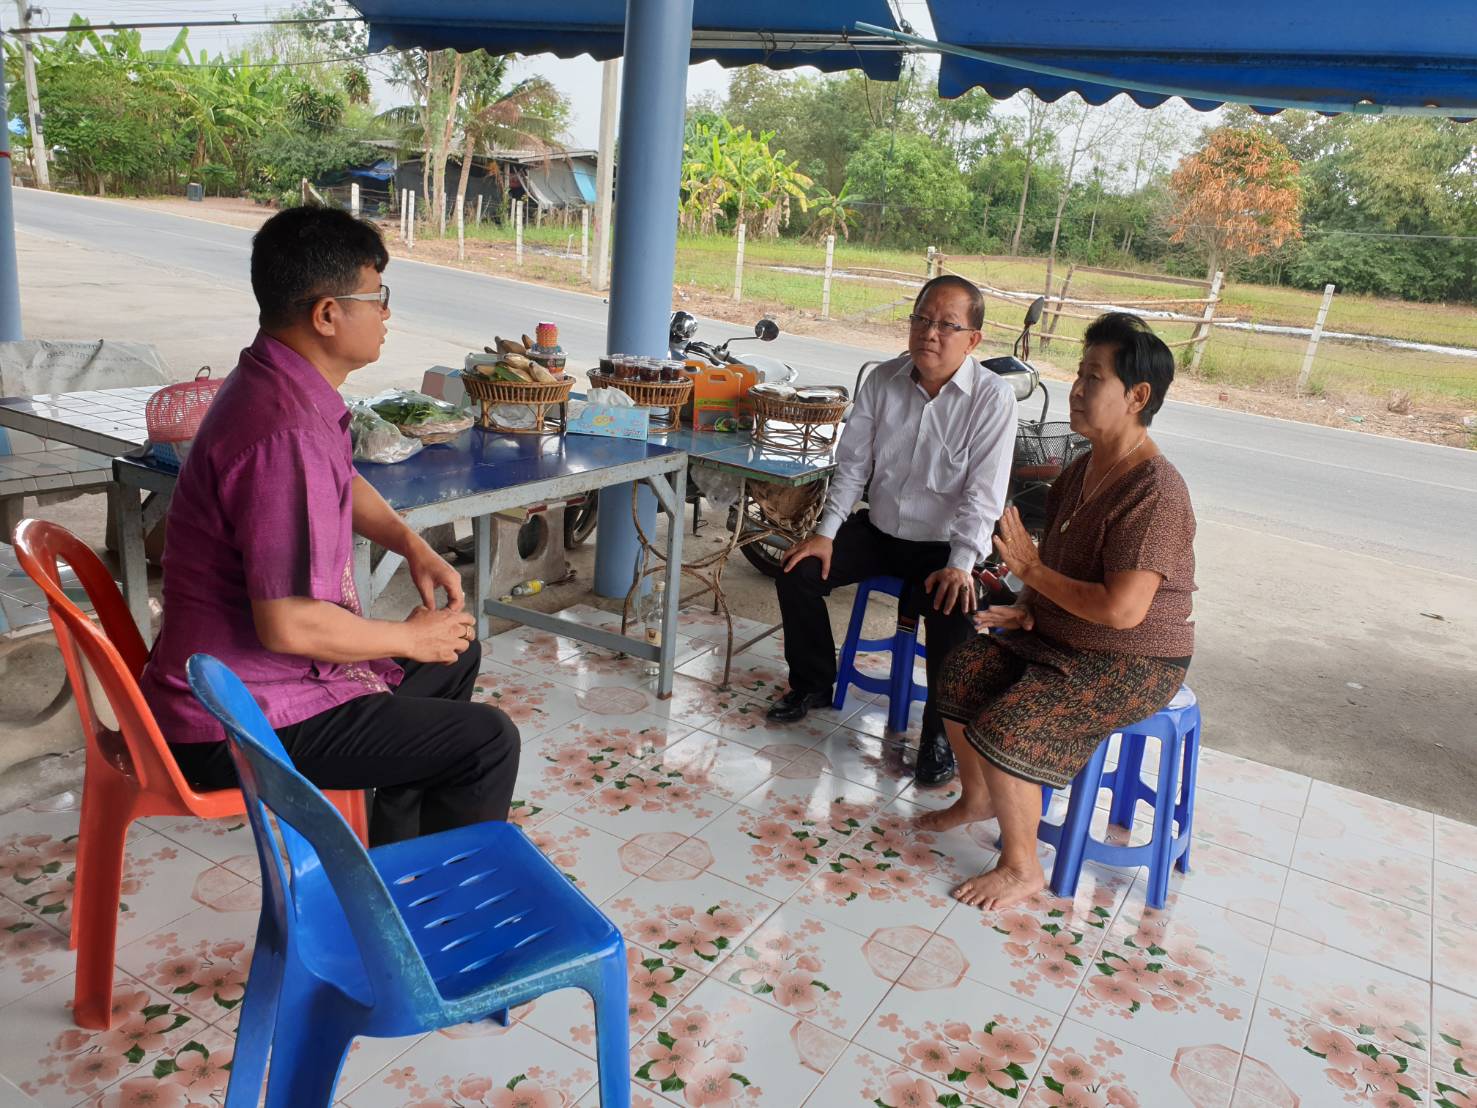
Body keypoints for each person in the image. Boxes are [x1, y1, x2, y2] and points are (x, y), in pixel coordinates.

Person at [139, 206, 519, 846]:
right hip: (235, 719)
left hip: (251, 682)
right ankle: (437, 919)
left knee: (455, 652)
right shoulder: (280, 430)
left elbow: (342, 476)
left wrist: (410, 543)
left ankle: (398, 858)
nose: (386, 314)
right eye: (377, 298)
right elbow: (287, 625)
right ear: (326, 314)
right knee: (485, 741)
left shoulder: (281, 383)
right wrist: (406, 638)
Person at [919, 311, 1196, 911]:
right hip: (1063, 638)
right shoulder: (1082, 467)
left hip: (1132, 661)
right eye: (1079, 373)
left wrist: (1033, 573)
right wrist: (1027, 604)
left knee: (1009, 723)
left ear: (1137, 396)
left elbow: (1123, 612)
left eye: (1093, 378)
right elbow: (1062, 567)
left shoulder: (1154, 492)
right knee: (962, 667)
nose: (1075, 388)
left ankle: (1022, 868)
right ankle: (977, 799)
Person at [768, 275, 1018, 786]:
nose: (930, 333)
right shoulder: (883, 379)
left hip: (944, 546)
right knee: (796, 570)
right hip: (881, 531)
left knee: (956, 610)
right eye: (922, 319)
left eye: (948, 325)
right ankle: (813, 683)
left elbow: (983, 494)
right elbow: (854, 465)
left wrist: (961, 564)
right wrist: (826, 533)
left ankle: (940, 735)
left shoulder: (992, 400)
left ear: (972, 340)